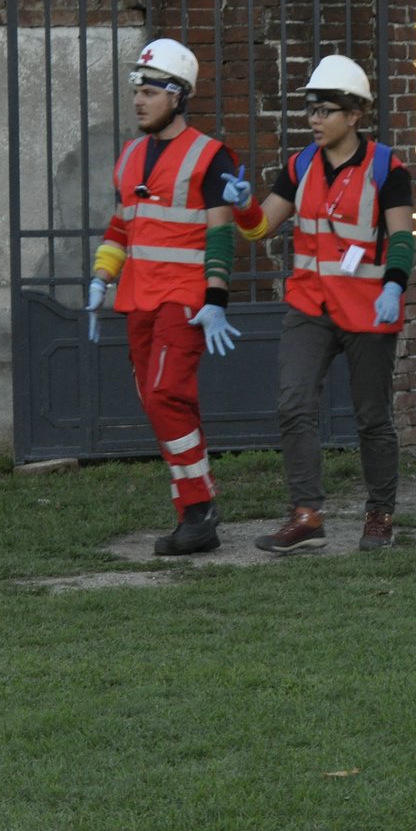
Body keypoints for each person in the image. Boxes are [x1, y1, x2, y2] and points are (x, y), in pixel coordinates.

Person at [228, 55, 416, 553]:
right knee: (294, 404)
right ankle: (307, 515)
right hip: (310, 305)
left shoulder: (385, 168)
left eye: (325, 110)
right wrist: (243, 203)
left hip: (367, 307)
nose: (314, 119)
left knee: (372, 417)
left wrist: (394, 287)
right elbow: (259, 227)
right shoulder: (301, 165)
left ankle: (379, 515)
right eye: (310, 109)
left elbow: (402, 237)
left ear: (354, 115)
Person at [86, 38, 247, 555]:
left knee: (162, 398)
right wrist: (100, 278)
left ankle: (198, 509)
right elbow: (121, 225)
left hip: (186, 300)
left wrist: (216, 299)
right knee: (165, 404)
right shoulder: (131, 155)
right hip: (138, 299)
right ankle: (194, 513)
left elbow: (222, 232)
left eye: (150, 90)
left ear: (177, 96)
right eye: (137, 89)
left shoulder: (212, 156)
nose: (138, 99)